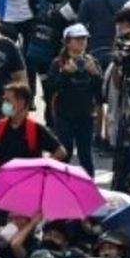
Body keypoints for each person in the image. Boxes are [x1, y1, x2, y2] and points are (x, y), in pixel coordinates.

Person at [43, 24, 103, 174]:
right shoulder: (58, 63)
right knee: (65, 154)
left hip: (85, 117)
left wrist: (95, 74)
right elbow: (50, 87)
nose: (82, 42)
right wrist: (65, 74)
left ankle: (89, 191)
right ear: (67, 42)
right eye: (77, 39)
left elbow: (99, 90)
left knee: (86, 157)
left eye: (84, 39)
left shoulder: (91, 62)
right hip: (64, 117)